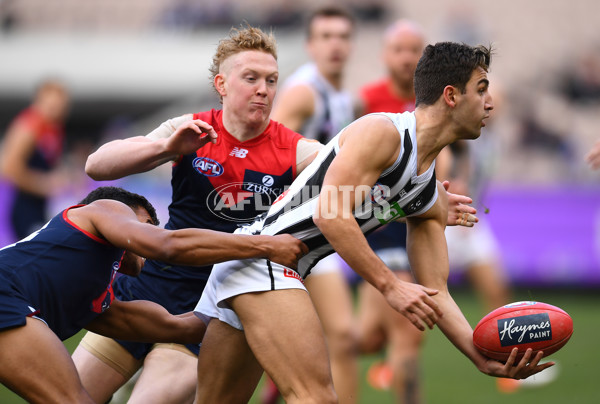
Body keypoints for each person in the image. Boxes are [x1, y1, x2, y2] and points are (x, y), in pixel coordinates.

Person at [193, 42, 554, 404]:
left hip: (256, 266)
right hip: (262, 258)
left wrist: (483, 360)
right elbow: (329, 213)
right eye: (481, 89)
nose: (490, 102)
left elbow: (436, 292)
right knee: (317, 398)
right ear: (450, 96)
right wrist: (390, 286)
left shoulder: (427, 193)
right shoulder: (384, 132)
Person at [72, 25, 323, 404]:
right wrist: (167, 148)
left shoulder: (294, 149)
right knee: (67, 397)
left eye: (271, 80)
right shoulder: (191, 129)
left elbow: (357, 175)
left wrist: (426, 195)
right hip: (146, 289)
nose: (263, 89)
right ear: (221, 84)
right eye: (251, 78)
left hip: (207, 308)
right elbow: (97, 165)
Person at [0, 186, 305, 404]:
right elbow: (167, 246)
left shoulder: (96, 303)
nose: (149, 231)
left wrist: (256, 311)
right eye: (147, 223)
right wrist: (264, 245)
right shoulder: (107, 207)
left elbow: (182, 327)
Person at [269, 7, 358, 403]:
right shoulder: (305, 92)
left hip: (316, 230)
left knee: (341, 335)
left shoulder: (340, 96)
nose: (335, 44)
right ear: (309, 45)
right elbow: (268, 149)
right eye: (325, 36)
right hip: (284, 233)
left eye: (342, 36)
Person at [354, 19, 429, 403]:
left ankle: (288, 355)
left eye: (413, 49)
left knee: (367, 337)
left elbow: (451, 154)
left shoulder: (433, 102)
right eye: (398, 49)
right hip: (379, 225)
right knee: (408, 332)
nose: (406, 58)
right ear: (386, 55)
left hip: (419, 224)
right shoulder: (363, 101)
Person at [0, 79, 70, 240]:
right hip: (22, 205)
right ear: (39, 101)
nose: (56, 111)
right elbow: (8, 168)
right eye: (51, 105)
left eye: (61, 106)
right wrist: (42, 184)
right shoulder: (28, 126)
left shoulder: (53, 129)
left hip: (40, 204)